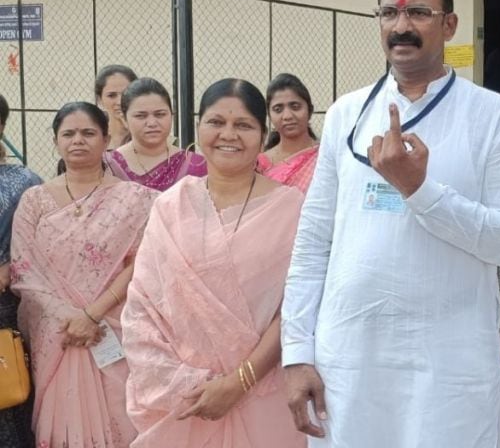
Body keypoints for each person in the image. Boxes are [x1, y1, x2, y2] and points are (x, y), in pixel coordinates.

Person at [281, 0, 500, 447]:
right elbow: (313, 242)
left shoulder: (490, 114)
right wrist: (296, 353)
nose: (401, 26)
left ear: (449, 24)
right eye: (389, 13)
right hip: (350, 359)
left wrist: (421, 191)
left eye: (418, 12)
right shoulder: (345, 114)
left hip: (448, 367)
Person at [121, 79, 305, 447]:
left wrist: (239, 382)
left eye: (243, 125)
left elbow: (297, 309)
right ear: (198, 126)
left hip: (264, 396)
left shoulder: (293, 209)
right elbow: (142, 307)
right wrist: (188, 383)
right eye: (216, 122)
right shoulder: (171, 205)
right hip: (185, 400)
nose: (228, 135)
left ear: (262, 133)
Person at [9, 102, 158, 448]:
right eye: (69, 134)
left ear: (106, 139)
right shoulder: (34, 201)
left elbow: (143, 264)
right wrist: (70, 319)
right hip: (57, 332)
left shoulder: (135, 200)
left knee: (121, 413)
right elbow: (24, 271)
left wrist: (92, 314)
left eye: (89, 132)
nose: (79, 140)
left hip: (114, 324)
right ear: (56, 141)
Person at [0, 94, 41, 448]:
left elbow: (46, 246)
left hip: (5, 311)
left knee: (10, 399)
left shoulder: (24, 182)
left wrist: (10, 266)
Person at [106, 78, 207, 191]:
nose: (152, 123)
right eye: (141, 116)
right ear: (124, 120)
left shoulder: (196, 166)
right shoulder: (108, 166)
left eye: (160, 114)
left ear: (172, 116)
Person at [256, 73, 319, 193]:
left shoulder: (323, 157)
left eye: (295, 107)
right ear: (269, 115)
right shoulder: (260, 163)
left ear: (310, 110)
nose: (287, 116)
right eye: (278, 110)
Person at [95, 65, 139, 149]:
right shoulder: (95, 137)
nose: (119, 102)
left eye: (126, 93)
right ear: (99, 100)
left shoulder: (151, 131)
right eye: (111, 95)